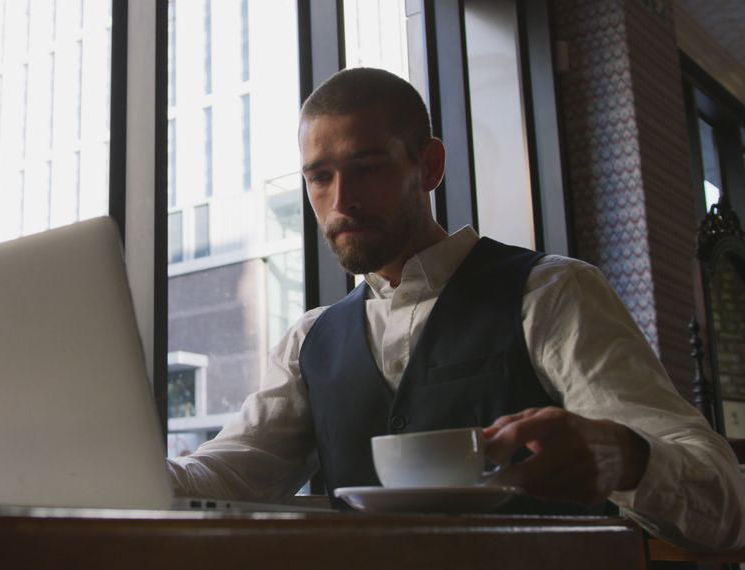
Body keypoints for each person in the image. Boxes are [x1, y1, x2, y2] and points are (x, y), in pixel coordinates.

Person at [166, 67, 745, 551]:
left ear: (431, 166)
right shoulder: (308, 342)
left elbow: (726, 501)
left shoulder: (549, 292)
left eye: (368, 168)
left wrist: (627, 459)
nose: (340, 202)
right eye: (320, 177)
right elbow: (226, 472)